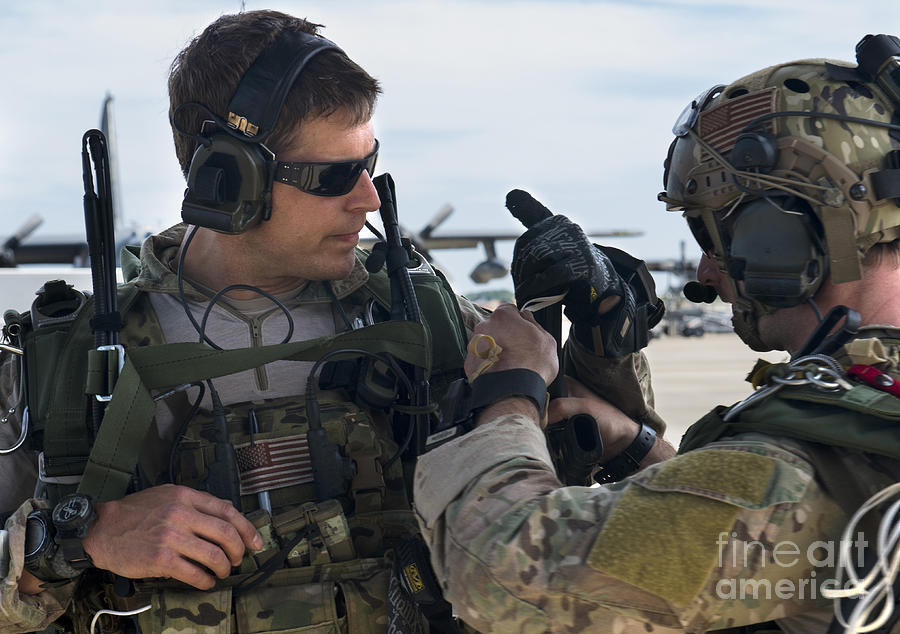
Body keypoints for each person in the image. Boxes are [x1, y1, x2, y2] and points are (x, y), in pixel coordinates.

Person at [0, 9, 663, 633]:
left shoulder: (421, 319)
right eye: (333, 175)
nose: (368, 197)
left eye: (369, 163)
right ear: (227, 182)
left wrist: (599, 340)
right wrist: (81, 535)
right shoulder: (68, 367)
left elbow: (591, 477)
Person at [414, 35, 900, 633]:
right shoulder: (862, 416)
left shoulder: (806, 466)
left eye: (711, 238)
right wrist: (644, 450)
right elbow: (753, 542)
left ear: (780, 238)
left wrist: (509, 388)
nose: (705, 271)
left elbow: (500, 576)